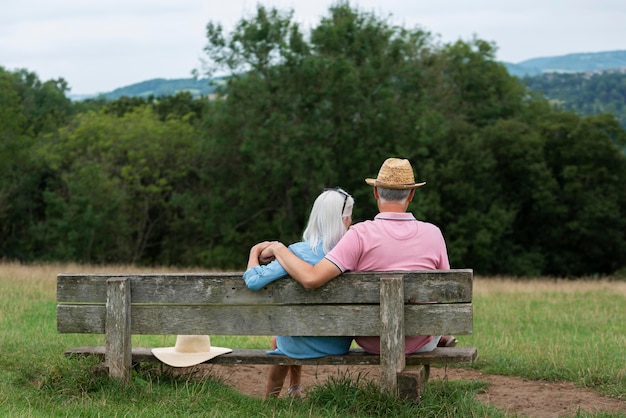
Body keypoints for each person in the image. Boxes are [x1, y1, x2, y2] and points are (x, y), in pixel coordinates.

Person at [262, 157, 456, 356]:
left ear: (375, 192)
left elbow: (311, 279)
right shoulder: (433, 234)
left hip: (373, 341)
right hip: (419, 340)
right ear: (411, 194)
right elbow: (444, 290)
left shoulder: (358, 234)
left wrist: (279, 249)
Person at [243, 187, 355, 398]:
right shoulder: (352, 254)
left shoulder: (296, 253)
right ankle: (295, 388)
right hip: (338, 343)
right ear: (345, 219)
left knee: (282, 336)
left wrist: (254, 252)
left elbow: (254, 281)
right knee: (293, 328)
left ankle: (270, 400)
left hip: (298, 343)